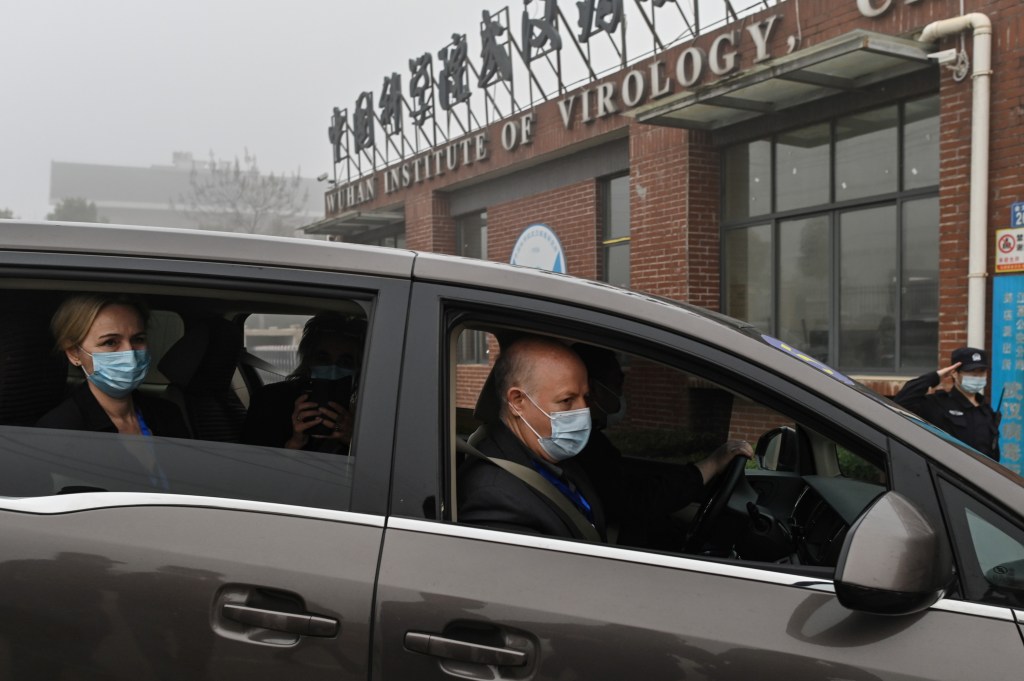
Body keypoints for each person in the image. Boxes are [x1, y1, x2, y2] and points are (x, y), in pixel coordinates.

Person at [457, 335, 752, 542]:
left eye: (585, 397)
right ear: (518, 402)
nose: (584, 411)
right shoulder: (495, 498)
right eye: (567, 400)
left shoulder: (549, 453)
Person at [36, 293, 190, 439]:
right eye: (110, 342)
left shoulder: (167, 413)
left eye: (138, 339)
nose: (130, 353)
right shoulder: (59, 430)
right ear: (74, 353)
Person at [241, 312, 363, 453]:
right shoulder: (271, 399)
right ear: (308, 360)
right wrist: (295, 443)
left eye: (345, 362)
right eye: (323, 359)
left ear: (359, 367)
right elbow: (251, 463)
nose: (333, 368)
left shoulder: (371, 410)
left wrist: (353, 440)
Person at [893, 347, 1001, 461]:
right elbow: (902, 401)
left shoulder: (986, 410)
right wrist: (937, 376)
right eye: (971, 372)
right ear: (954, 373)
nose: (977, 377)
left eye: (981, 372)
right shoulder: (938, 404)